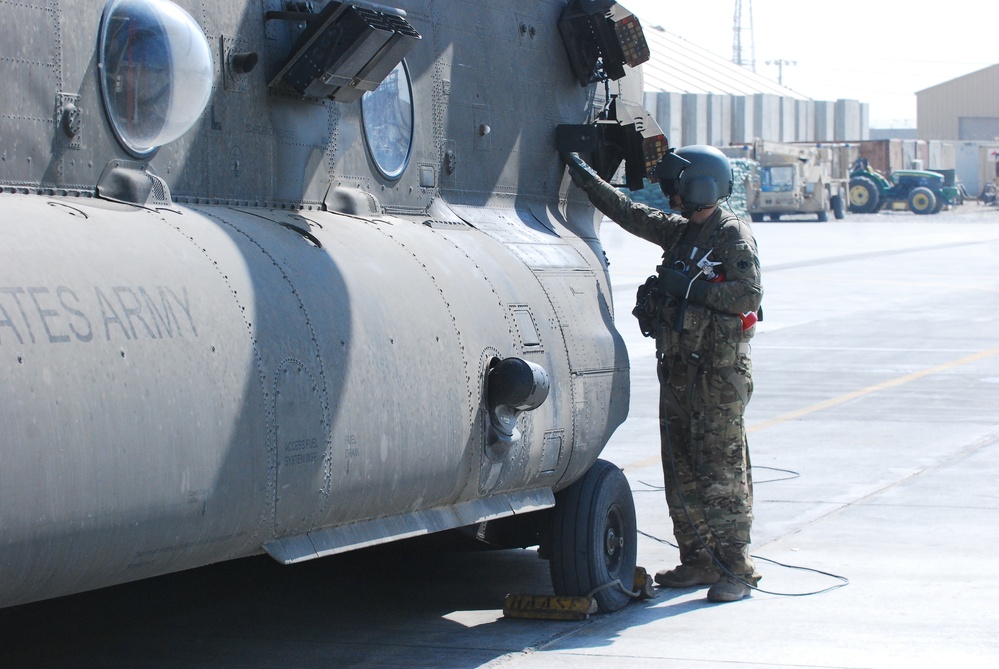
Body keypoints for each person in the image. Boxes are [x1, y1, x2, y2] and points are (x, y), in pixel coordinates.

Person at [563, 146, 763, 602]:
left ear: (699, 187)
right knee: (681, 467)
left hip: (718, 375)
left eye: (676, 186)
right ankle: (696, 560)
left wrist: (689, 288)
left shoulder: (731, 236)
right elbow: (630, 214)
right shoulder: (680, 234)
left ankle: (737, 567)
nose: (670, 194)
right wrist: (589, 180)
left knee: (721, 470)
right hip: (678, 370)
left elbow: (748, 296)